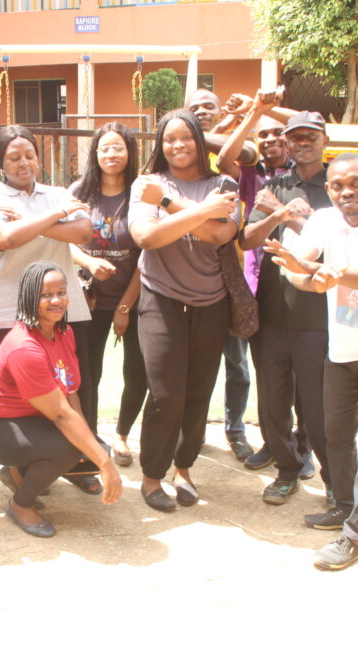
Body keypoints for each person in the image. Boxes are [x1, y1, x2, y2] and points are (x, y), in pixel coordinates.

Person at [265, 153, 358, 571]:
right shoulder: (323, 221)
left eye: (356, 183)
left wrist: (322, 270)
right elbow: (294, 270)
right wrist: (306, 276)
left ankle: (355, 536)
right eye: (337, 185)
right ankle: (344, 508)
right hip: (342, 350)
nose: (347, 192)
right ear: (328, 189)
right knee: (335, 437)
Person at [0, 125, 101, 495]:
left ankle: (81, 463)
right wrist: (55, 218)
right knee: (28, 393)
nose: (23, 163)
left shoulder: (58, 194)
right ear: (0, 162)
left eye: (29, 154)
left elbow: (83, 232)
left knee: (78, 384)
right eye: (13, 157)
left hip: (64, 305)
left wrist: (34, 222)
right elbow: (3, 238)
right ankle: (29, 466)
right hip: (11, 310)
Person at [129, 109, 240, 512]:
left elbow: (220, 233)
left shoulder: (223, 183)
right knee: (164, 395)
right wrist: (198, 211)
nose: (178, 146)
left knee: (197, 393)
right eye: (169, 139)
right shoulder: (148, 184)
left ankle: (185, 469)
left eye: (186, 137)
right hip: (161, 299)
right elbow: (146, 236)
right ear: (160, 145)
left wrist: (169, 206)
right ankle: (152, 476)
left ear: (199, 140)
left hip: (211, 303)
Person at [0, 262, 122, 538]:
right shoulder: (25, 347)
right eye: (46, 295)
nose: (56, 300)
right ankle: (20, 505)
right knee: (69, 449)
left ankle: (16, 475)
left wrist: (91, 443)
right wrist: (107, 467)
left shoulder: (64, 332)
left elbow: (69, 392)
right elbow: (60, 415)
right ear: (28, 297)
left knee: (86, 446)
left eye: (61, 292)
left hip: (24, 417)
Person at [215, 90, 312, 471]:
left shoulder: (309, 176)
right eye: (263, 135)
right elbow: (223, 157)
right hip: (262, 289)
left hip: (306, 290)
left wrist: (269, 110)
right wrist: (251, 114)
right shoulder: (253, 176)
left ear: (289, 138)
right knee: (269, 376)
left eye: (278, 134)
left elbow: (311, 119)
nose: (270, 140)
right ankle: (275, 444)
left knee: (304, 377)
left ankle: (303, 448)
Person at [241, 111, 333, 507]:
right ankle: (287, 469)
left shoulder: (340, 185)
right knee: (272, 399)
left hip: (320, 312)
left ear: (324, 139)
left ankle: (336, 480)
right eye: (295, 137)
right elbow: (247, 239)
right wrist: (278, 212)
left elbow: (336, 247)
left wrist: (289, 215)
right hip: (274, 310)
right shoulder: (276, 184)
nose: (302, 143)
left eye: (310, 136)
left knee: (317, 403)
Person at [69, 122, 147, 467]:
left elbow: (150, 255)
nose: (111, 154)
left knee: (138, 372)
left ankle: (122, 435)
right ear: (95, 154)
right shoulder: (79, 192)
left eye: (118, 147)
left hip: (138, 297)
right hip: (89, 300)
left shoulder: (143, 193)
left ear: (130, 152)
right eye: (104, 148)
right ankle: (90, 439)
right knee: (88, 374)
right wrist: (88, 259)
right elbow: (64, 239)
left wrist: (126, 307)